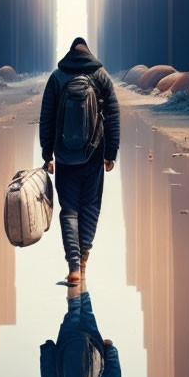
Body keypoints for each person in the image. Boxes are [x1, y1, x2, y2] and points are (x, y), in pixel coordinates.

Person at [39, 37, 119, 284]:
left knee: (69, 209)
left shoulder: (57, 77)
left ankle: (73, 266)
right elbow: (113, 114)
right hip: (94, 152)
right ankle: (84, 258)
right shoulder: (100, 76)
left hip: (65, 154)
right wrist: (110, 152)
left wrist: (47, 153)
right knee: (91, 205)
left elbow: (47, 117)